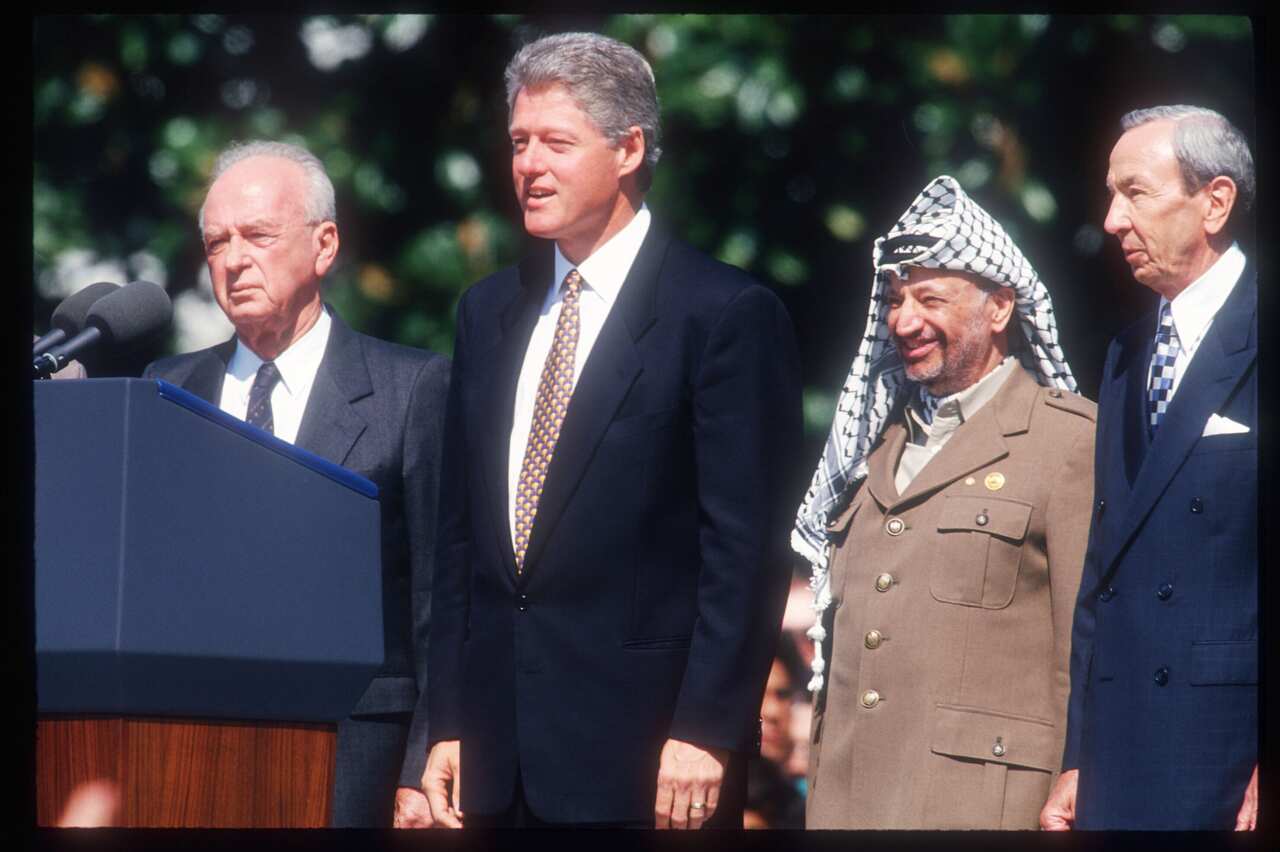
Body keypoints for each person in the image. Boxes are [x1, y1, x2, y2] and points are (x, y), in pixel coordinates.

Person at [414, 31, 802, 829]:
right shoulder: (485, 312)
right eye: (519, 142)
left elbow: (744, 549)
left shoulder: (722, 314)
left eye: (557, 142)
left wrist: (705, 728)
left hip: (651, 762)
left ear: (629, 149)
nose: (528, 164)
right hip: (495, 762)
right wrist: (448, 718)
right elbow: (459, 546)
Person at [142, 141, 450, 828]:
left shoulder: (411, 388)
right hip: (187, 747)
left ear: (324, 244)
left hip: (354, 752)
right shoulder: (165, 387)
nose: (233, 258)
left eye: (257, 235)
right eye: (217, 241)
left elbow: (440, 597)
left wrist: (423, 762)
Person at [793, 176, 1095, 829]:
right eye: (897, 299)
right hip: (847, 807)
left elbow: (1089, 647)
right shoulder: (866, 451)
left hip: (989, 811)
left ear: (1000, 309)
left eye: (931, 298)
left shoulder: (1069, 441)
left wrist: (1079, 778)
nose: (904, 320)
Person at [1041, 105, 1257, 831]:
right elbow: (1105, 573)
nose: (1112, 220)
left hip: (1228, 763)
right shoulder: (1126, 353)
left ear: (1215, 202)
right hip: (1119, 769)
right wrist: (1077, 757)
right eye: (1111, 194)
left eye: (1135, 192)